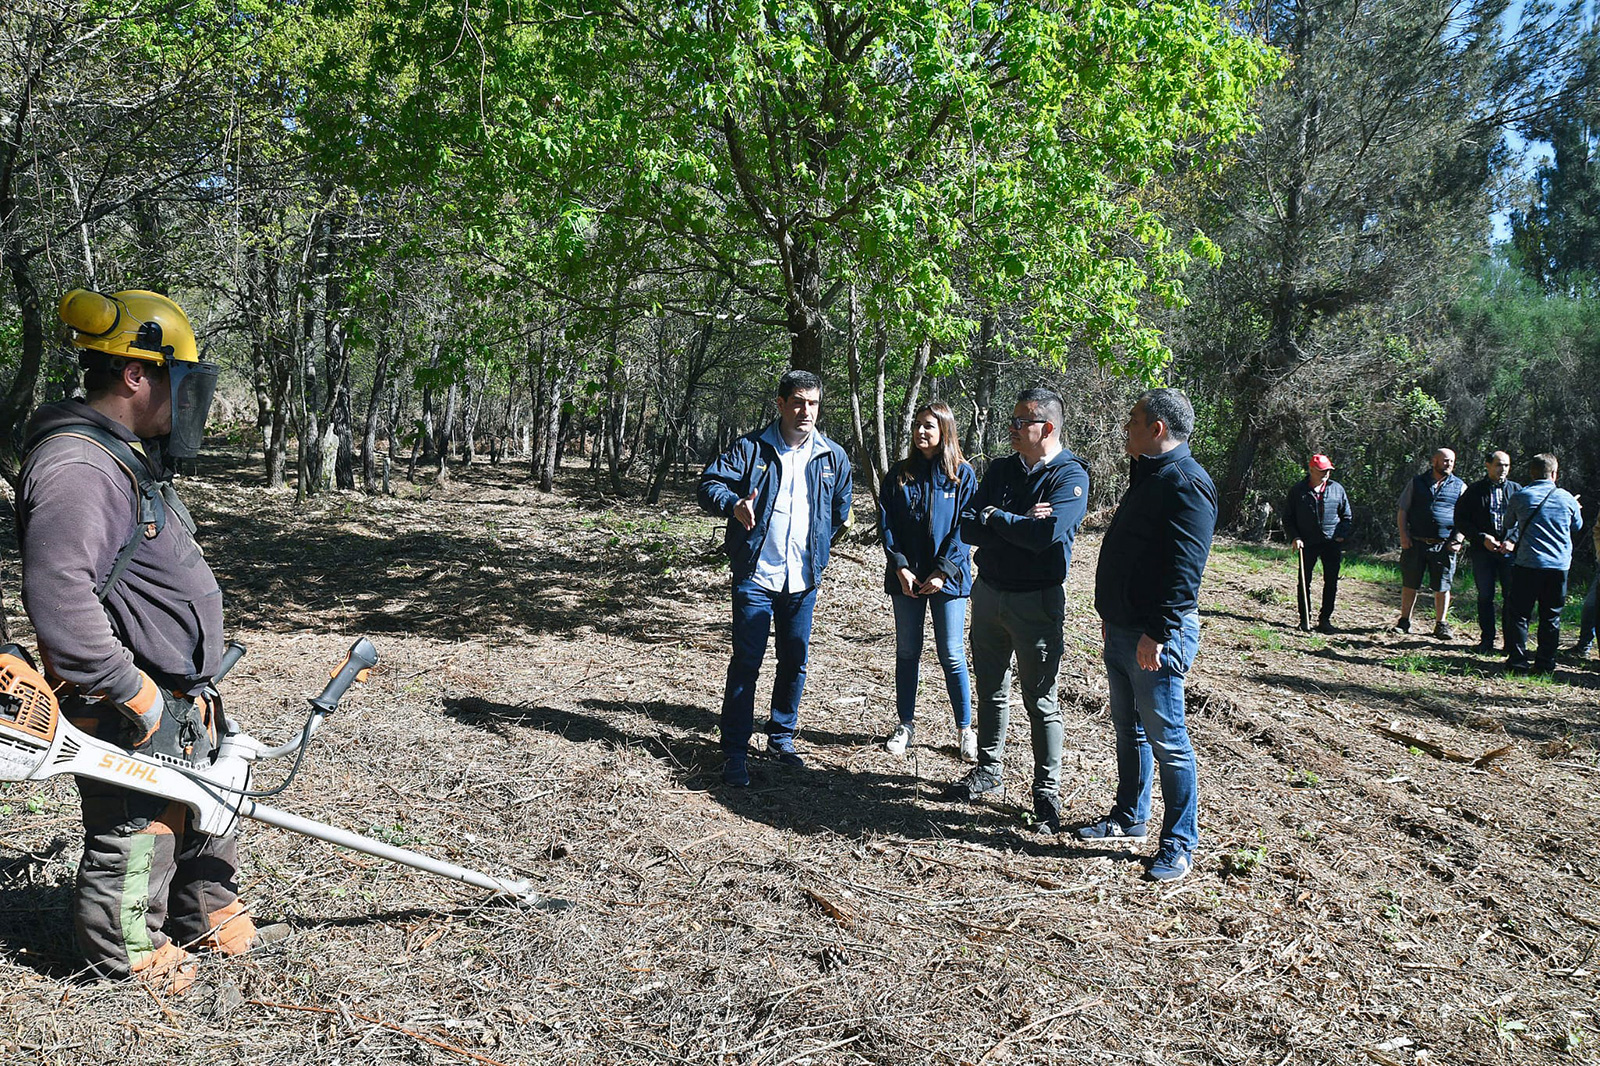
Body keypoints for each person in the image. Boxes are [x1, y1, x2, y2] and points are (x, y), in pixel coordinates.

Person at [17, 288, 275, 993]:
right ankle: (125, 953)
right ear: (137, 375)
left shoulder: (116, 455)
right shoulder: (79, 466)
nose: (186, 399)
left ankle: (203, 912)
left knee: (208, 799)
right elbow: (61, 594)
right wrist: (133, 691)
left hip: (177, 689)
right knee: (143, 823)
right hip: (127, 695)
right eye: (177, 380)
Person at [1076, 388, 1217, 883]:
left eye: (1134, 419)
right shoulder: (1150, 472)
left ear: (1157, 428)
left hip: (1155, 635)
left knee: (1169, 740)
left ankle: (1179, 844)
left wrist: (1157, 633)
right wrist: (1114, 615)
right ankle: (1129, 817)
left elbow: (1185, 570)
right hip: (1122, 627)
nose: (1126, 426)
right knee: (1129, 729)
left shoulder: (1187, 483)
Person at [943, 387, 1090, 835]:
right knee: (990, 689)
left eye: (1020, 422)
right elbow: (966, 526)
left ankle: (1046, 793)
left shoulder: (1070, 476)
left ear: (1045, 428)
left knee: (1040, 700)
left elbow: (1043, 538)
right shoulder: (1002, 469)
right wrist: (1015, 519)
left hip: (1037, 602)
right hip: (987, 593)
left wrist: (996, 517)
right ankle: (988, 771)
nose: (1011, 429)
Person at [698, 370, 853, 786]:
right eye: (798, 402)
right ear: (781, 404)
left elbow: (840, 510)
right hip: (756, 575)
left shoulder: (832, 456)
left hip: (802, 579)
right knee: (746, 663)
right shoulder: (752, 448)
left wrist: (817, 550)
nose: (806, 411)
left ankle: (781, 737)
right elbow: (709, 483)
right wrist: (733, 504)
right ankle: (734, 750)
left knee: (794, 661)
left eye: (814, 404)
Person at [875, 403, 978, 760]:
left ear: (945, 430)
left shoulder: (962, 475)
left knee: (951, 653)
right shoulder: (899, 475)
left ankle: (965, 729)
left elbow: (966, 527)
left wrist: (942, 570)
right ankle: (905, 725)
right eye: (917, 425)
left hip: (948, 580)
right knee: (907, 652)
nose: (920, 432)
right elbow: (886, 524)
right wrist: (901, 566)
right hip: (906, 579)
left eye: (928, 426)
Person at [1502, 453, 1584, 675]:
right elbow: (1576, 526)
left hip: (1528, 564)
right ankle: (1545, 664)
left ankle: (1518, 662)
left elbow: (1508, 523)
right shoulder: (1566, 498)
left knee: (1519, 614)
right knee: (1551, 615)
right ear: (1555, 473)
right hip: (1558, 566)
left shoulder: (1521, 496)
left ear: (1532, 473)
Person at [1393, 448, 1467, 639]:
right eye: (1445, 461)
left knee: (1442, 586)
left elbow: (1466, 518)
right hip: (1416, 543)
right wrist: (1404, 536)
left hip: (1443, 546)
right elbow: (1403, 510)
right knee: (1410, 583)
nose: (1449, 464)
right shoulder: (1417, 483)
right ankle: (1404, 621)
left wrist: (1458, 539)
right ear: (1434, 461)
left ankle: (1441, 624)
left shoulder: (1459, 486)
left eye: (1451, 461)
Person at [1454, 451, 1521, 653]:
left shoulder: (1517, 490)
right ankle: (1487, 640)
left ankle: (1511, 643)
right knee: (1485, 596)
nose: (1503, 469)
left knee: (1511, 597)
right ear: (1488, 465)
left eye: (1507, 465)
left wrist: (1512, 540)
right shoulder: (1475, 491)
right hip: (1483, 552)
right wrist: (1481, 537)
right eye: (1499, 465)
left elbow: (1525, 520)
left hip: (1509, 552)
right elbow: (1461, 519)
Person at [1282, 454, 1352, 633]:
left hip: (1331, 543)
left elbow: (1347, 517)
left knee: (1331, 582)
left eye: (1328, 470)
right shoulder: (1298, 491)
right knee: (1304, 582)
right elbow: (1288, 518)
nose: (1326, 474)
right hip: (1307, 543)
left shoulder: (1337, 489)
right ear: (1311, 470)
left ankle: (1325, 620)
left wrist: (1340, 535)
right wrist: (1295, 537)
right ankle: (1304, 619)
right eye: (1322, 471)